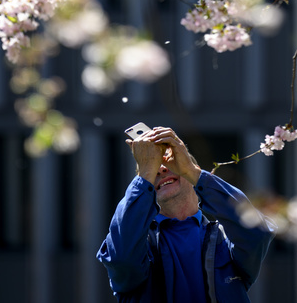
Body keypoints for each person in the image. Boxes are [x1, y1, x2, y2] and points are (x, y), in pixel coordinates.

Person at [97, 126, 274, 302]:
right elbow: (121, 259)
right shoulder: (139, 245)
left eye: (168, 161)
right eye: (151, 167)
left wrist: (193, 172)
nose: (160, 169)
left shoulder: (225, 240)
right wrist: (144, 175)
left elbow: (256, 233)